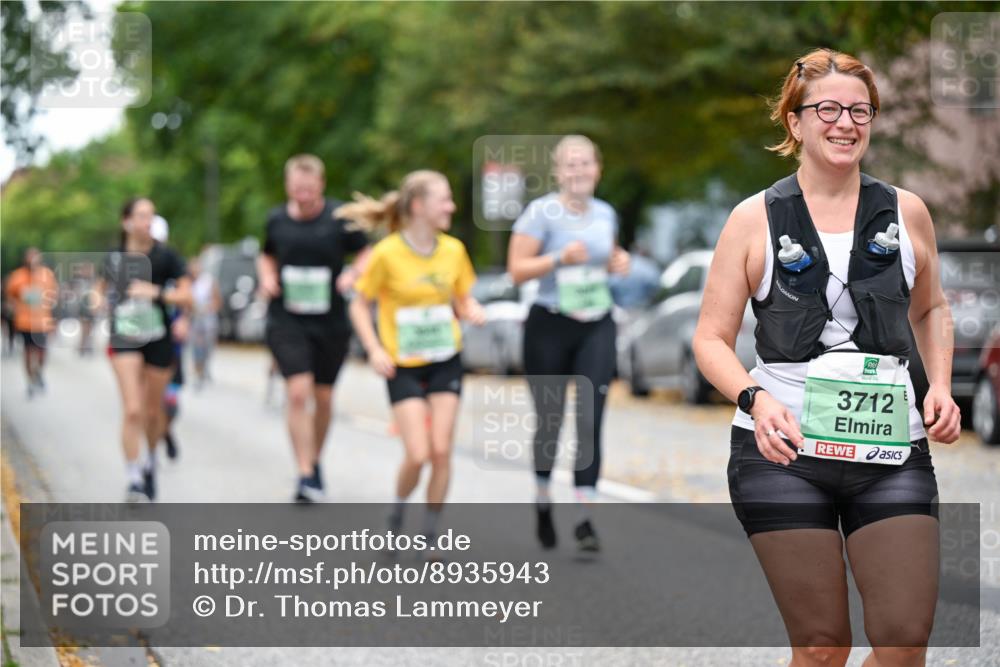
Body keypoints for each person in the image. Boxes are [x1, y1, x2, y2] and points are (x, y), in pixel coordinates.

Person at [692, 49, 961, 666]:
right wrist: (754, 402)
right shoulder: (752, 219)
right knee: (822, 647)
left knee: (902, 640)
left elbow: (932, 309)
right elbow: (710, 338)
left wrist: (939, 385)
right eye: (829, 109)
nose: (846, 123)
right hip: (781, 454)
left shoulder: (907, 211)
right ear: (795, 121)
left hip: (891, 450)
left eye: (860, 111)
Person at [345, 170, 485, 542]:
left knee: (441, 451)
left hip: (445, 359)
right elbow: (359, 306)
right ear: (419, 206)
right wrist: (374, 349)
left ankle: (430, 533)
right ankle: (398, 508)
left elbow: (462, 296)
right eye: (445, 199)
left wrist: (471, 309)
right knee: (418, 454)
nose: (452, 206)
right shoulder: (387, 253)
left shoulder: (454, 250)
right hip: (402, 365)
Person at [506, 135, 630, 553]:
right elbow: (517, 271)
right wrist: (557, 258)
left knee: (591, 418)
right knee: (551, 420)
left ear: (598, 168)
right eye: (570, 165)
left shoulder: (606, 213)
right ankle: (542, 499)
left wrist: (619, 262)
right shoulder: (540, 213)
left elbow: (608, 259)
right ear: (558, 172)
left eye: (586, 164)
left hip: (596, 320)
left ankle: (585, 517)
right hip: (549, 324)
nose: (578, 172)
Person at [257, 154, 371, 503]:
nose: (302, 195)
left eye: (308, 188)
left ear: (320, 185)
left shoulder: (339, 219)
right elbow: (267, 254)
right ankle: (305, 473)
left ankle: (315, 460)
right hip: (287, 319)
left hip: (330, 321)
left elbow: (367, 252)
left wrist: (353, 273)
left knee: (323, 398)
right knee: (297, 391)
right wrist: (267, 276)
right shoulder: (276, 220)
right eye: (296, 188)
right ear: (288, 186)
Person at [97, 198, 191, 502]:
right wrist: (95, 301)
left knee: (153, 411)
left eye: (151, 216)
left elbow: (187, 296)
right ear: (126, 221)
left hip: (158, 337)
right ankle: (134, 476)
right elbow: (97, 291)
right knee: (133, 409)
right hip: (124, 336)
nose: (147, 221)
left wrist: (158, 292)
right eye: (141, 216)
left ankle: (150, 458)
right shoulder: (113, 257)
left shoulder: (167, 256)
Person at [5, 248, 59, 397]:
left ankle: (38, 372)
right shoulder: (17, 277)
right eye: (30, 257)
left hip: (42, 321)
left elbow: (54, 296)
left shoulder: (47, 275)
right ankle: (29, 381)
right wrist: (15, 305)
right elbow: (10, 296)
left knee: (41, 353)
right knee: (28, 352)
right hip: (24, 322)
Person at [188, 255, 222, 389]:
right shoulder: (188, 281)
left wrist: (208, 308)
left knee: (208, 346)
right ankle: (198, 372)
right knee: (196, 347)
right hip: (194, 318)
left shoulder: (208, 281)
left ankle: (205, 367)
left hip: (208, 318)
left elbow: (217, 300)